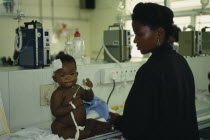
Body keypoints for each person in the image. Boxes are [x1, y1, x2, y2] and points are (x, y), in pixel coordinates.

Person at [109, 2, 199, 140]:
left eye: (139, 34)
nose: (135, 40)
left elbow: (134, 127)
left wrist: (116, 121)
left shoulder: (150, 70)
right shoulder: (180, 61)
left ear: (159, 33)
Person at [50, 54, 112, 140]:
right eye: (63, 75)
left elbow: (89, 98)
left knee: (96, 123)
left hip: (82, 123)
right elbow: (56, 112)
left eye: (72, 74)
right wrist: (72, 105)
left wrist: (88, 88)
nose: (68, 77)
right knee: (64, 131)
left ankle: (111, 128)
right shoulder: (58, 94)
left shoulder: (77, 88)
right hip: (64, 127)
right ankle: (88, 134)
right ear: (55, 78)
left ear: (77, 74)